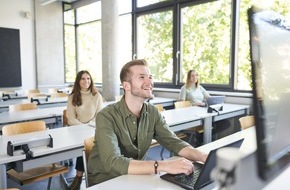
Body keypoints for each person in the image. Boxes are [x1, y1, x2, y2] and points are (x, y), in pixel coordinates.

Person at [87, 59, 208, 186]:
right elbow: (113, 162)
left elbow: (174, 143)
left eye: (150, 77)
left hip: (135, 176)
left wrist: (203, 156)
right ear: (126, 85)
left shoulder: (152, 112)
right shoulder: (106, 116)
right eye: (142, 77)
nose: (150, 81)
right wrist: (163, 165)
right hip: (105, 181)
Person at [66, 70, 103, 190]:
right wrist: (83, 127)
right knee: (84, 145)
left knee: (94, 144)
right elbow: (70, 118)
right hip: (76, 130)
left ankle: (87, 176)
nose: (86, 81)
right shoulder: (72, 97)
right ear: (78, 81)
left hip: (93, 129)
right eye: (83, 78)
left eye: (88, 78)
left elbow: (99, 115)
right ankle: (79, 177)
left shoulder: (96, 95)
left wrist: (89, 125)